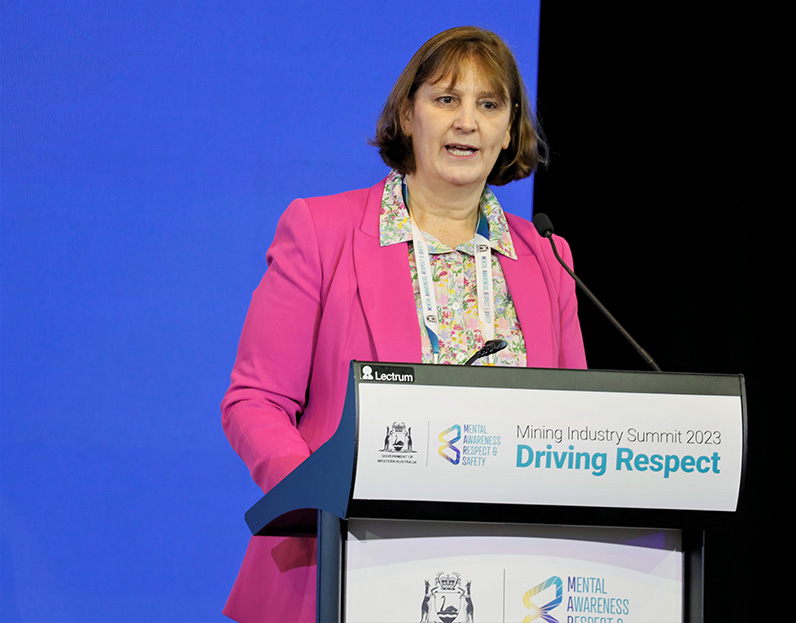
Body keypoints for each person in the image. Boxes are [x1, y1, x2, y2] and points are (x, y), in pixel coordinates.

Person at [221, 26, 586, 622]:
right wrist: (319, 500)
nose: (466, 122)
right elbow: (255, 401)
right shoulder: (322, 231)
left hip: (504, 576)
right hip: (343, 565)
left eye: (488, 104)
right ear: (408, 116)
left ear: (509, 128)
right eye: (446, 99)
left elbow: (573, 426)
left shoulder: (547, 257)